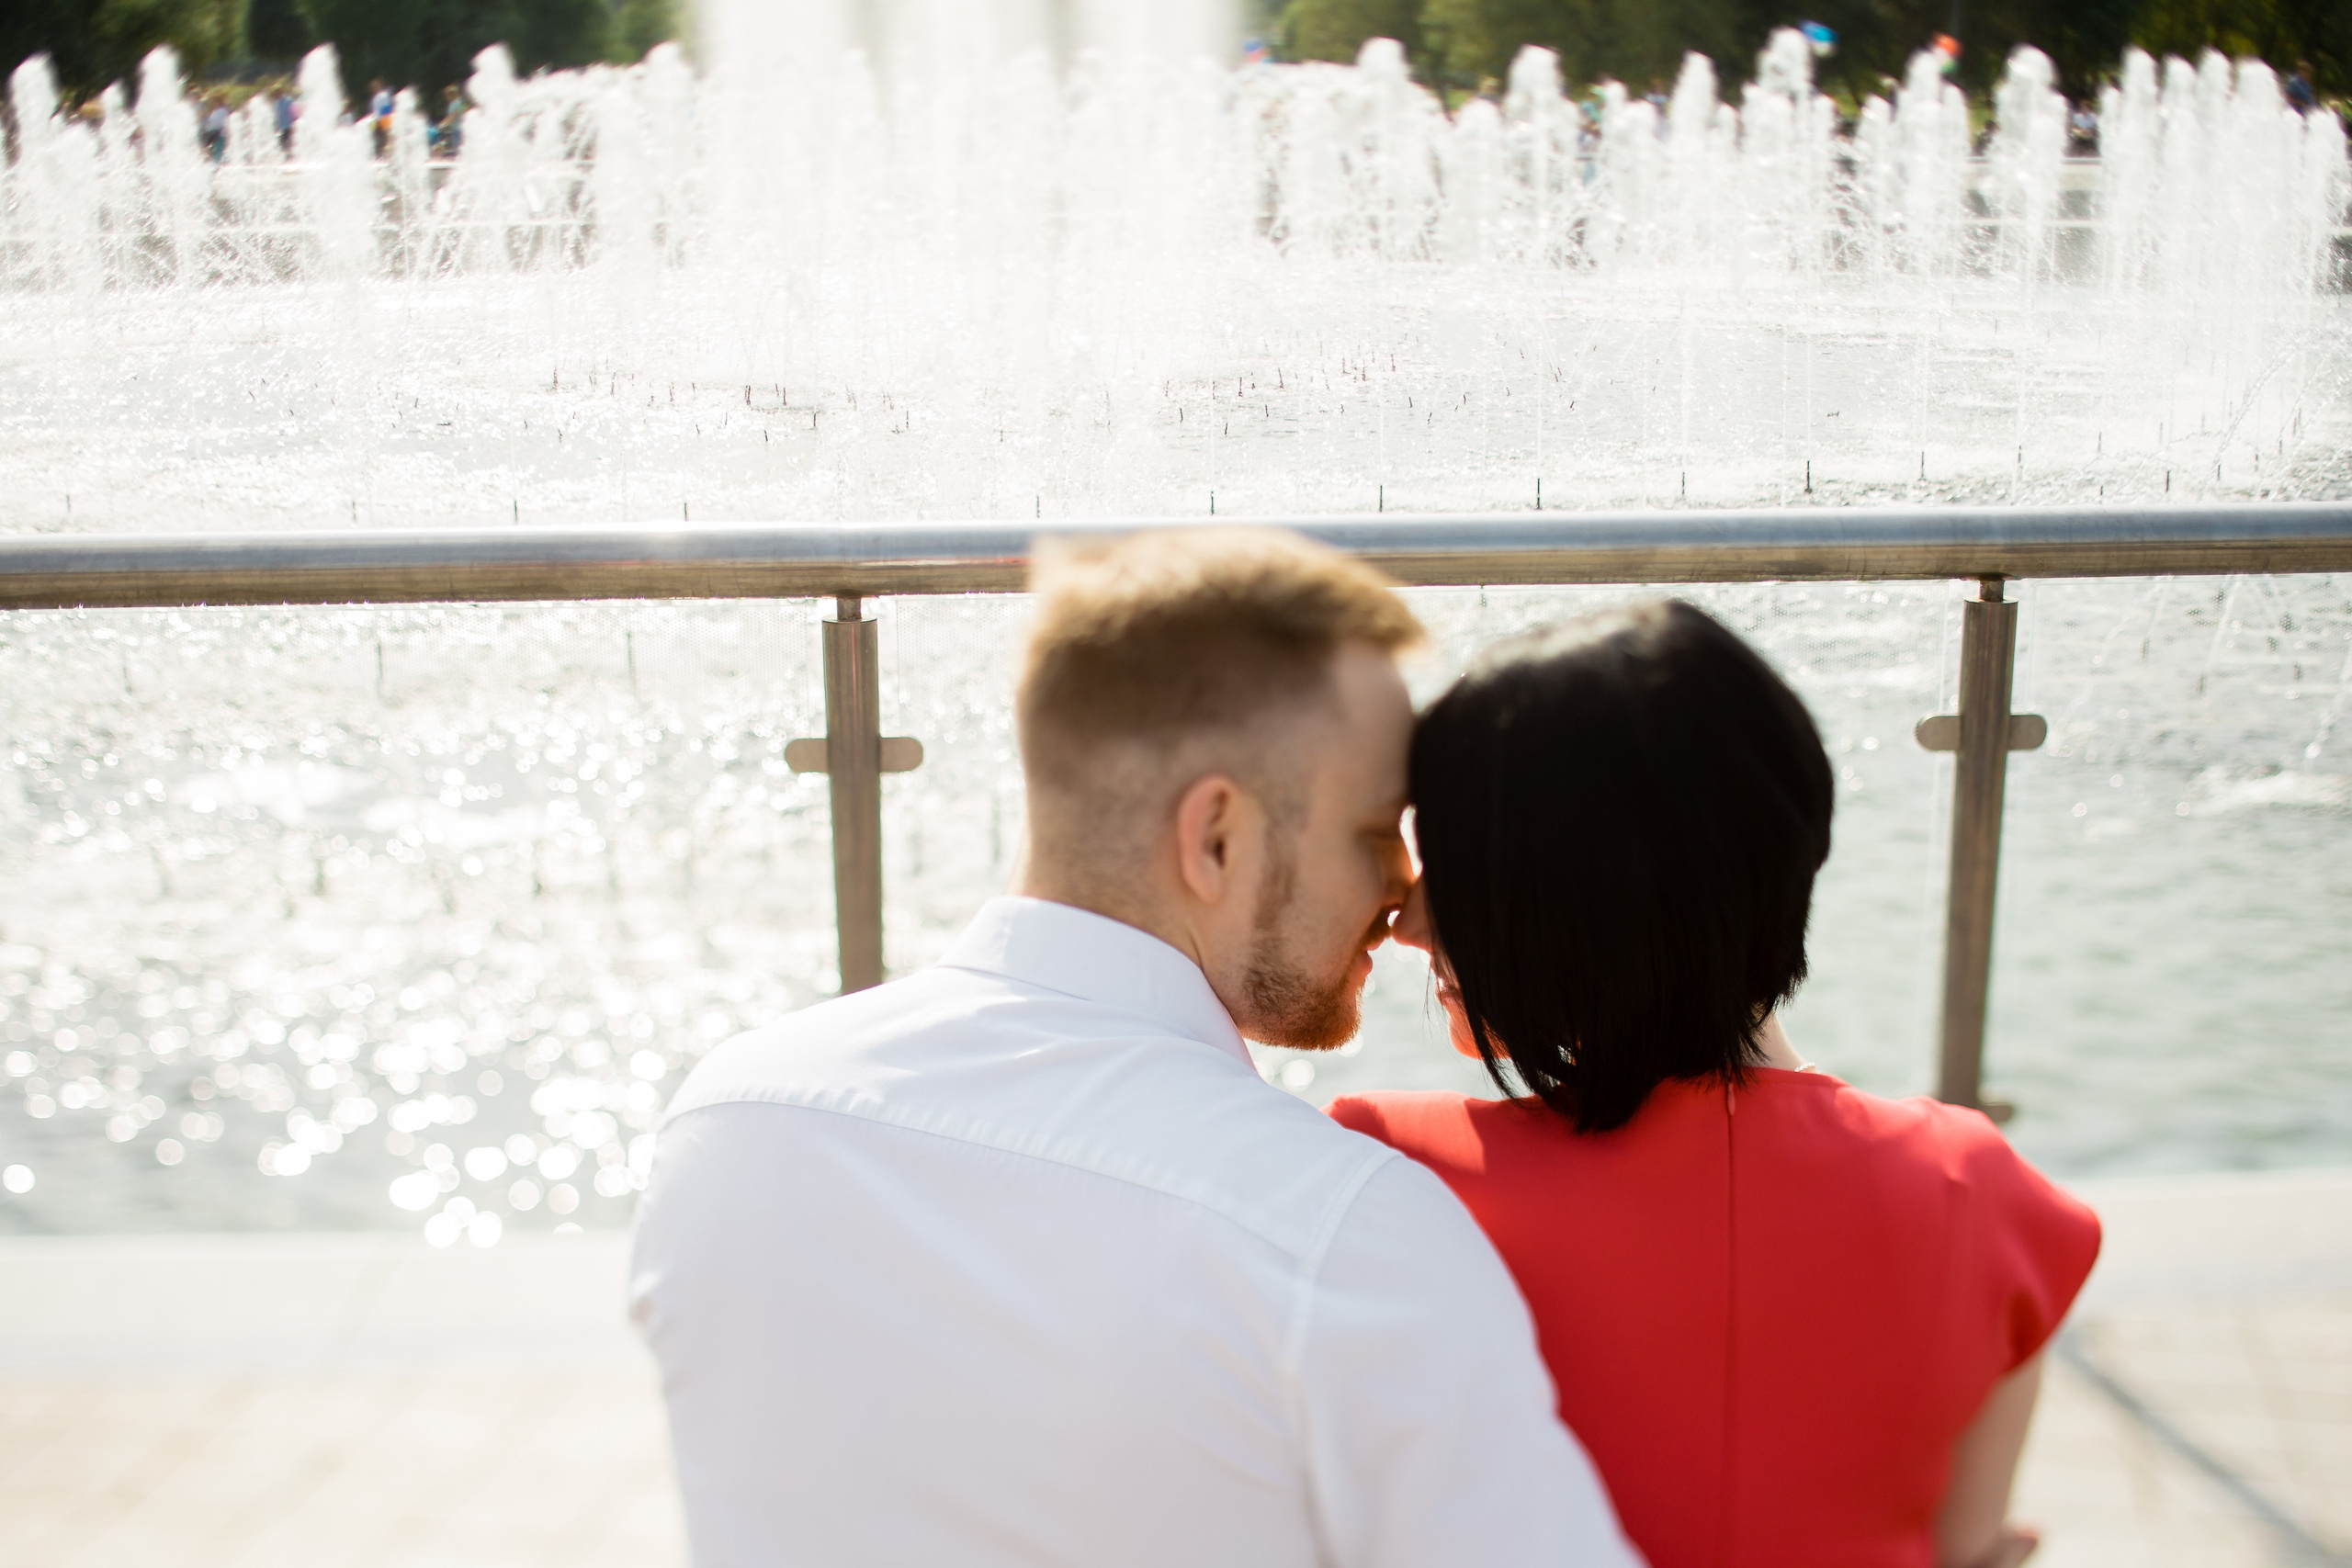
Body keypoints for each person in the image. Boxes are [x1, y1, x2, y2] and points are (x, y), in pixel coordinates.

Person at [629, 530, 1640, 1568]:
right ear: (1216, 839)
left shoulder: (730, 1125)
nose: (1404, 890)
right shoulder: (1340, 1237)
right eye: (1377, 831)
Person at [1332, 601, 2099, 1568]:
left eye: (1460, 867)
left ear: (1580, 909)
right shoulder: (1982, 1199)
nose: (1405, 921)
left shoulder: (1383, 1177)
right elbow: (1965, 1552)